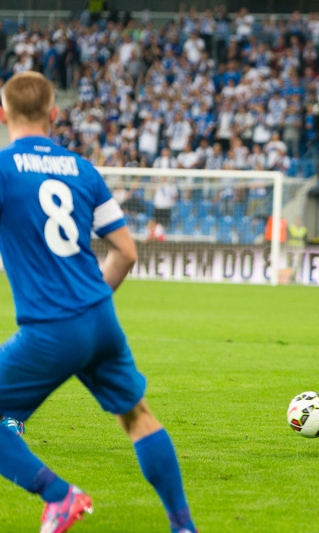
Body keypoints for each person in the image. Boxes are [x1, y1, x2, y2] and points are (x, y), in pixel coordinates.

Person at [0, 73, 197, 532]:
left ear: (3, 114)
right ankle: (184, 526)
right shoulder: (82, 170)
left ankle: (58, 495)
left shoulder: (5, 169)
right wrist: (89, 304)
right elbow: (126, 252)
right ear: (54, 114)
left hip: (50, 328)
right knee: (137, 416)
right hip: (100, 318)